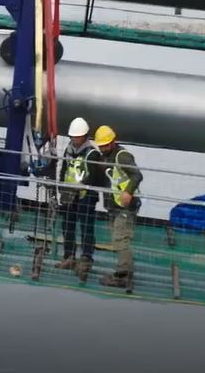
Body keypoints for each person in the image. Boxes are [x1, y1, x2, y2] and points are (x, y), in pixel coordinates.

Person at [95, 126, 144, 288]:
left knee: (120, 239)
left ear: (113, 142)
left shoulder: (122, 156)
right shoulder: (106, 157)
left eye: (105, 145)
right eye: (100, 146)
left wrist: (128, 192)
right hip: (115, 206)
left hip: (126, 207)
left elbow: (137, 175)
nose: (103, 148)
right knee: (118, 239)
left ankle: (124, 275)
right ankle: (123, 272)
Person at [55, 117, 101, 273]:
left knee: (86, 227)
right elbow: (64, 169)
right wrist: (62, 187)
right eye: (73, 136)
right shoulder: (69, 149)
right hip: (69, 194)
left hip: (86, 196)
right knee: (67, 225)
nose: (75, 139)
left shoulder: (93, 154)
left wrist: (79, 188)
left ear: (85, 136)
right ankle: (69, 256)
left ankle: (86, 259)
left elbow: (94, 176)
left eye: (78, 136)